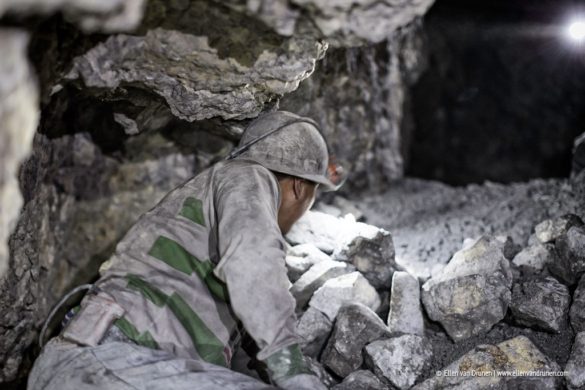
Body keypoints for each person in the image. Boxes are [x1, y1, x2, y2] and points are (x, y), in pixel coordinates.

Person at [28, 111, 345, 390]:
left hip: (93, 367)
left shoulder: (210, 212)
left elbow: (251, 313)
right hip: (110, 362)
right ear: (299, 187)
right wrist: (293, 371)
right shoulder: (248, 176)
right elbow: (253, 265)